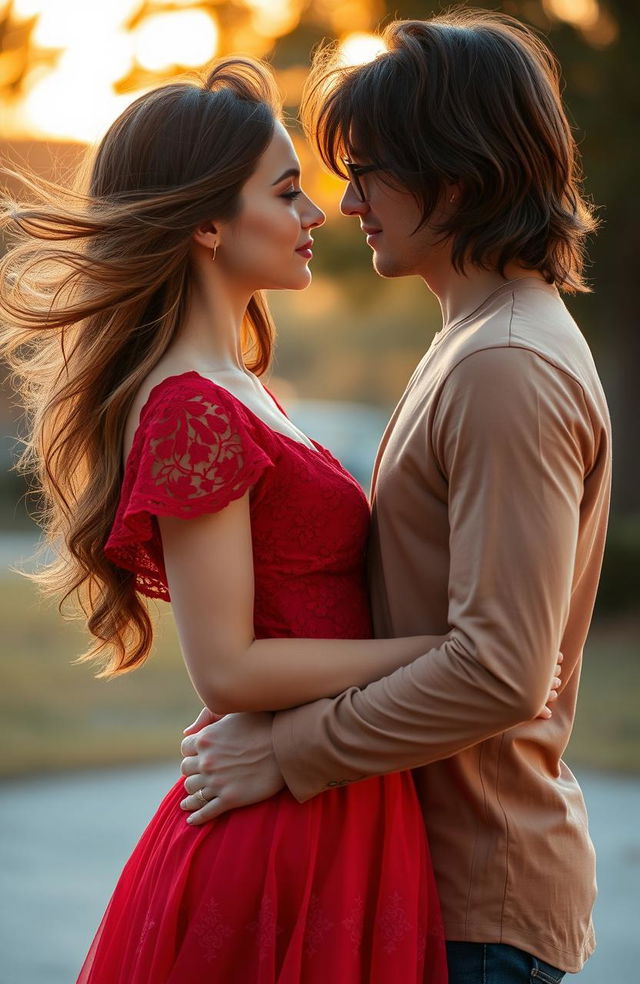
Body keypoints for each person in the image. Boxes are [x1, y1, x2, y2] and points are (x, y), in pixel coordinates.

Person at [0, 54, 496, 982]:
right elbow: (226, 666)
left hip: (335, 788)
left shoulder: (241, 389)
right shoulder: (193, 408)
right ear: (207, 224)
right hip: (284, 832)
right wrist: (442, 652)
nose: (316, 214)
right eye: (288, 192)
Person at [178, 11, 612, 984]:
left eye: (370, 168)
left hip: (478, 910)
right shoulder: (479, 337)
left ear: (454, 171)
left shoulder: (503, 363)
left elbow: (502, 670)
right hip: (430, 886)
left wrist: (290, 752)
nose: (347, 198)